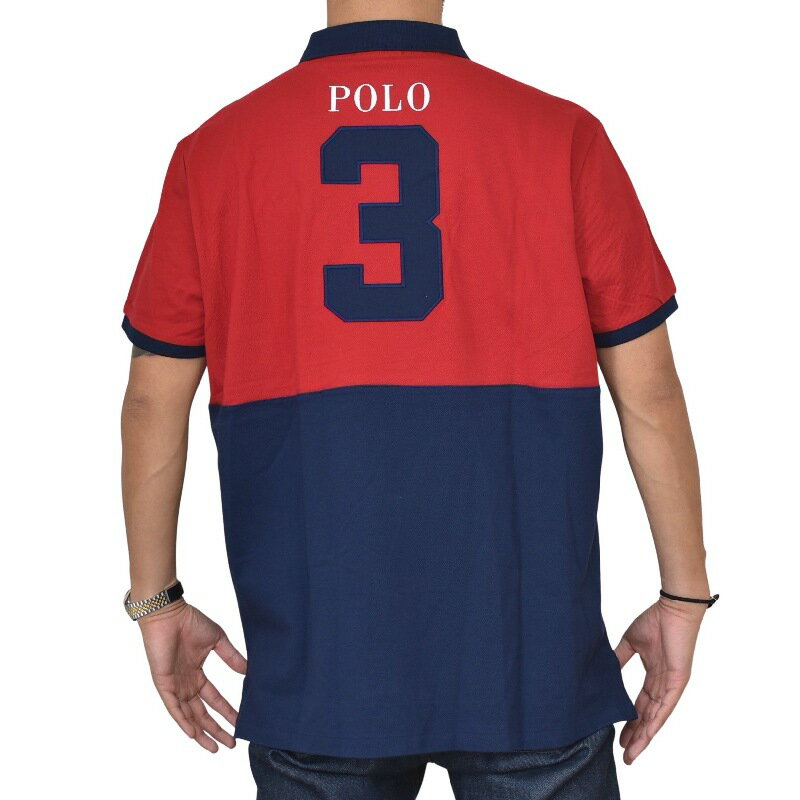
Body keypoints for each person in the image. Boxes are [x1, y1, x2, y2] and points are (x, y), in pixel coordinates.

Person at [120, 1, 716, 797]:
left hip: (320, 669)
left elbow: (152, 401)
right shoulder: (561, 135)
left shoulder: (215, 153)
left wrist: (156, 600)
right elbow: (651, 393)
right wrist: (684, 592)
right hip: (528, 662)